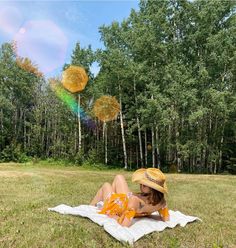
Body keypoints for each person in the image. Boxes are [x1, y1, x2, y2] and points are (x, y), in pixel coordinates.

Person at [90, 168, 170, 227]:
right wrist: (147, 215)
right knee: (119, 177)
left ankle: (90, 207)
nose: (141, 186)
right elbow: (166, 219)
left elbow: (124, 224)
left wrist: (114, 216)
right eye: (141, 183)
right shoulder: (161, 202)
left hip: (116, 206)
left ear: (153, 189)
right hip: (125, 200)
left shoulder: (135, 201)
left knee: (106, 185)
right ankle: (111, 196)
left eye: (144, 184)